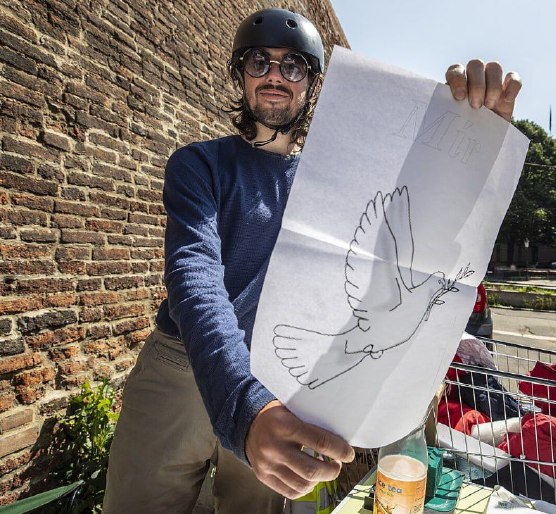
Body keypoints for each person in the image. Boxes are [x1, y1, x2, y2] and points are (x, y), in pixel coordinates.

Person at [103, 7, 521, 514]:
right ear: (241, 74)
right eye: (260, 61)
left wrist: (476, 137)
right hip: (182, 365)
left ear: (313, 84)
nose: (275, 74)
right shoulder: (200, 164)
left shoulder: (339, 181)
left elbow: (419, 226)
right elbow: (195, 277)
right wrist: (244, 405)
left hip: (277, 382)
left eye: (293, 65)